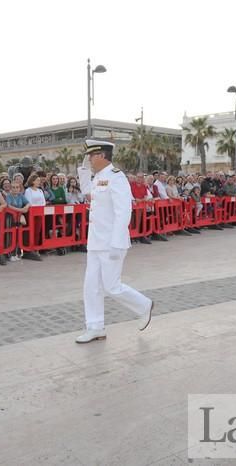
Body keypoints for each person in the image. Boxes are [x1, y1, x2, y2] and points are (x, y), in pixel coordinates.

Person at [75, 140, 153, 344]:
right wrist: (83, 168)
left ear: (101, 155)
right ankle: (95, 326)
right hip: (95, 242)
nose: (90, 160)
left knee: (112, 286)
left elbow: (123, 211)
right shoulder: (98, 177)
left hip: (111, 242)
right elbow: (86, 192)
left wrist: (117, 243)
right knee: (91, 286)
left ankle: (144, 306)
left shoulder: (116, 178)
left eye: (91, 156)